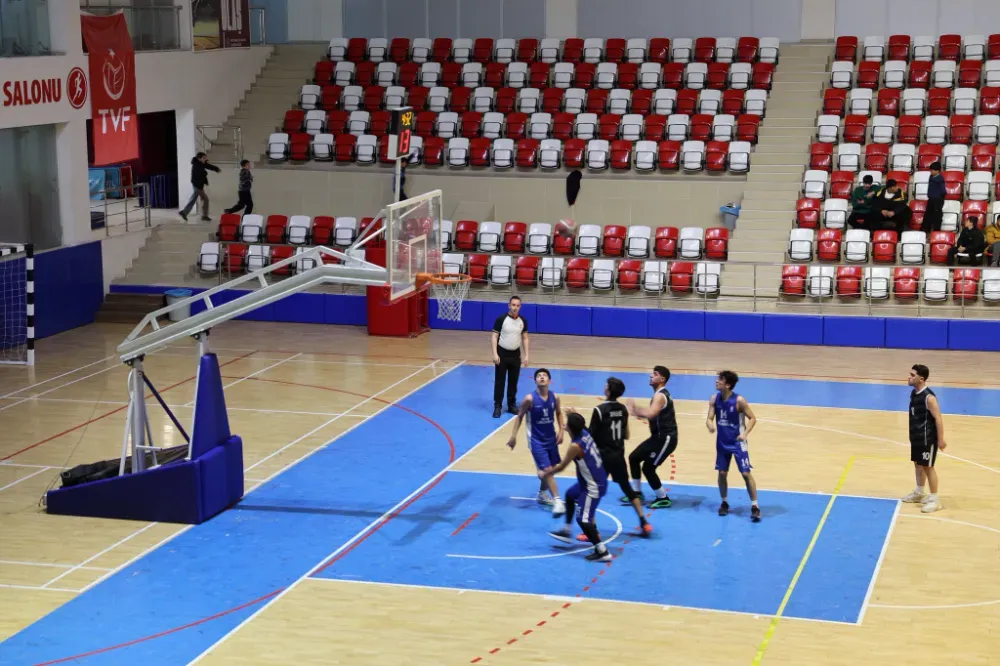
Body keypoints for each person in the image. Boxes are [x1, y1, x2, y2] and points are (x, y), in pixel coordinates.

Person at [585, 377, 652, 536]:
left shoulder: (599, 410)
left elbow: (589, 436)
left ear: (608, 390)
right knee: (628, 489)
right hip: (618, 456)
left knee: (592, 492)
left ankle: (592, 532)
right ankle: (644, 522)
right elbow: (626, 435)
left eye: (606, 385)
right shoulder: (623, 409)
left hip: (602, 457)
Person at [543, 412, 611, 563]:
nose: (565, 424)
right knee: (570, 494)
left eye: (568, 423)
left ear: (571, 428)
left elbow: (562, 466)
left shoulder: (575, 446)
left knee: (583, 519)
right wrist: (573, 415)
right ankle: (566, 532)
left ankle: (602, 551)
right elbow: (580, 425)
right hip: (591, 480)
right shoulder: (585, 433)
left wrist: (546, 472)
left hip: (593, 486)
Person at [507, 368, 566, 515]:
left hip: (551, 438)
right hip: (536, 440)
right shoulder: (529, 399)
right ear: (535, 381)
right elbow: (519, 416)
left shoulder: (555, 397)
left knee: (550, 469)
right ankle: (558, 501)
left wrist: (561, 431)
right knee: (548, 470)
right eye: (539, 376)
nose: (542, 377)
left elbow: (559, 413)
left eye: (544, 375)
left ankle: (541, 493)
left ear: (549, 380)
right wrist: (513, 436)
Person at [706, 371, 760, 522]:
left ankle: (755, 506)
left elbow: (753, 418)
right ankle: (724, 502)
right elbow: (709, 418)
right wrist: (710, 426)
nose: (717, 381)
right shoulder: (714, 398)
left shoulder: (739, 400)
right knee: (722, 473)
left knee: (745, 473)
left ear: (728, 385)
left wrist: (745, 434)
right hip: (722, 442)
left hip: (737, 443)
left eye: (720, 380)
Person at [624, 366, 678, 509]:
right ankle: (637, 493)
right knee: (634, 458)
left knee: (648, 468)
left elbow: (651, 413)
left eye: (655, 374)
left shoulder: (660, 396)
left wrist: (633, 410)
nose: (651, 376)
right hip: (657, 437)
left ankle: (663, 498)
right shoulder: (658, 394)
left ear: (662, 379)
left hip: (666, 438)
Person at [902, 364, 947, 513]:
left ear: (921, 379)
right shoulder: (914, 393)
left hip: (928, 439)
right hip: (916, 437)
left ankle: (935, 500)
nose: (909, 377)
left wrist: (941, 439)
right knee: (918, 464)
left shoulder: (929, 397)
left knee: (928, 467)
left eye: (912, 375)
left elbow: (938, 419)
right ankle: (920, 492)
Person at [491, 296, 530, 418]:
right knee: (500, 381)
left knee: (513, 382)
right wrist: (495, 353)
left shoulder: (523, 321)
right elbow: (494, 337)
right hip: (502, 354)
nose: (515, 307)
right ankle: (498, 406)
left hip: (515, 355)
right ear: (509, 305)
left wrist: (526, 355)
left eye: (518, 305)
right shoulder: (501, 319)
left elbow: (525, 338)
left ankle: (511, 405)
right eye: (513, 305)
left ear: (520, 307)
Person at [179, 152, 221, 222]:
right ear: (199, 158)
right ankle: (204, 216)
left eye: (205, 157)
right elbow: (201, 175)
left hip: (198, 185)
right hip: (197, 185)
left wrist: (215, 168)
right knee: (205, 199)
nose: (206, 159)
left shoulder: (200, 163)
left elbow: (207, 166)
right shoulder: (197, 166)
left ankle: (185, 212)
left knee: (194, 198)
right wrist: (200, 188)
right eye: (204, 158)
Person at [922, 162, 946, 234]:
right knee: (928, 215)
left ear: (937, 171)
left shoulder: (940, 179)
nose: (931, 172)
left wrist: (939, 198)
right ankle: (925, 230)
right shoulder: (931, 176)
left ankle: (936, 231)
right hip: (931, 199)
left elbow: (943, 191)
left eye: (932, 170)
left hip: (937, 200)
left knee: (937, 216)